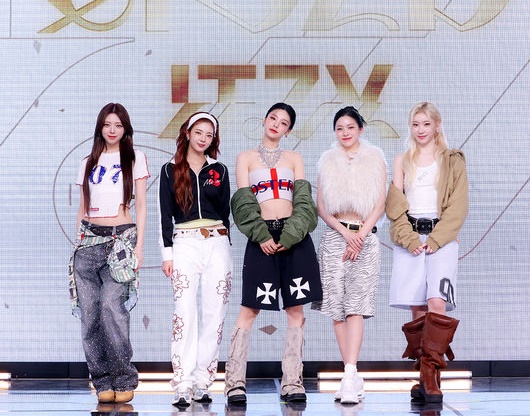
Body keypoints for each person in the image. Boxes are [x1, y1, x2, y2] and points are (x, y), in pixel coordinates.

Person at [225, 103, 322, 405]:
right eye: (273, 118)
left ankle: (292, 381)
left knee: (295, 309)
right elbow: (243, 203)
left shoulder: (295, 158)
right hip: (261, 238)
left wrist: (291, 235)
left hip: (295, 239)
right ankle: (234, 383)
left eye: (283, 122)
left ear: (288, 130)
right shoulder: (245, 158)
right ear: (264, 120)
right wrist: (262, 235)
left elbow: (304, 203)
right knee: (250, 309)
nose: (276, 124)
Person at [386, 102, 468, 403]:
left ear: (437, 125)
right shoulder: (402, 160)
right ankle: (424, 378)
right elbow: (395, 206)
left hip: (441, 239)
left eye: (426, 124)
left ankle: (432, 377)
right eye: (415, 124)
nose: (421, 130)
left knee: (437, 302)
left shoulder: (452, 160)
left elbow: (458, 205)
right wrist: (410, 240)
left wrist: (436, 239)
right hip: (410, 240)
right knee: (417, 306)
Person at [70, 102, 149, 404]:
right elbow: (82, 207)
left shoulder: (135, 158)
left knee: (111, 310)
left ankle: (124, 377)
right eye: (107, 124)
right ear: (100, 127)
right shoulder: (87, 161)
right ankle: (101, 380)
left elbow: (141, 206)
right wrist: (78, 241)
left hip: (121, 242)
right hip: (89, 242)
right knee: (90, 316)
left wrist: (139, 246)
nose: (112, 130)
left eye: (118, 125)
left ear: (125, 129)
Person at [311, 106, 386, 404]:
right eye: (340, 128)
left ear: (360, 129)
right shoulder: (326, 160)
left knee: (356, 306)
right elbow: (321, 207)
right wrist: (345, 234)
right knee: (337, 308)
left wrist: (361, 235)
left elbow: (380, 204)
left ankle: (351, 373)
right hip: (334, 239)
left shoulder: (375, 158)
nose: (345, 133)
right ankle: (349, 375)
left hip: (365, 239)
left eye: (350, 127)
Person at [158, 112, 232, 407]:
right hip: (184, 244)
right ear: (187, 133)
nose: (203, 139)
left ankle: (203, 381)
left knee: (215, 313)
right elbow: (164, 214)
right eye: (198, 132)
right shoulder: (170, 170)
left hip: (217, 242)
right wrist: (167, 254)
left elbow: (225, 210)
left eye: (209, 135)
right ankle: (182, 382)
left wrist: (224, 241)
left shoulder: (219, 170)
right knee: (184, 311)